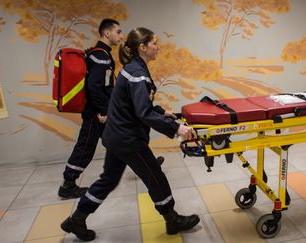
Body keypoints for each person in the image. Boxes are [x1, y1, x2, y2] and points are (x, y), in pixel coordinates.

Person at [60, 27, 200, 241]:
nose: (157, 47)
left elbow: (137, 105)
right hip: (128, 140)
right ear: (142, 47)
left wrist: (162, 112)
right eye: (154, 43)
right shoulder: (137, 73)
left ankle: (77, 219)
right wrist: (177, 129)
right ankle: (172, 219)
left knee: (108, 180)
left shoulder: (133, 68)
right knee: (155, 177)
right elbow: (143, 112)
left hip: (115, 136)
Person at [57, 19, 124, 199]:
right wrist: (103, 111)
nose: (121, 35)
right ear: (107, 33)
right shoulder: (101, 56)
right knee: (85, 147)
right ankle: (68, 184)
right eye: (118, 31)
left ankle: (145, 165)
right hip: (96, 113)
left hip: (100, 111)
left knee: (120, 141)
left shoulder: (99, 54)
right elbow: (94, 86)